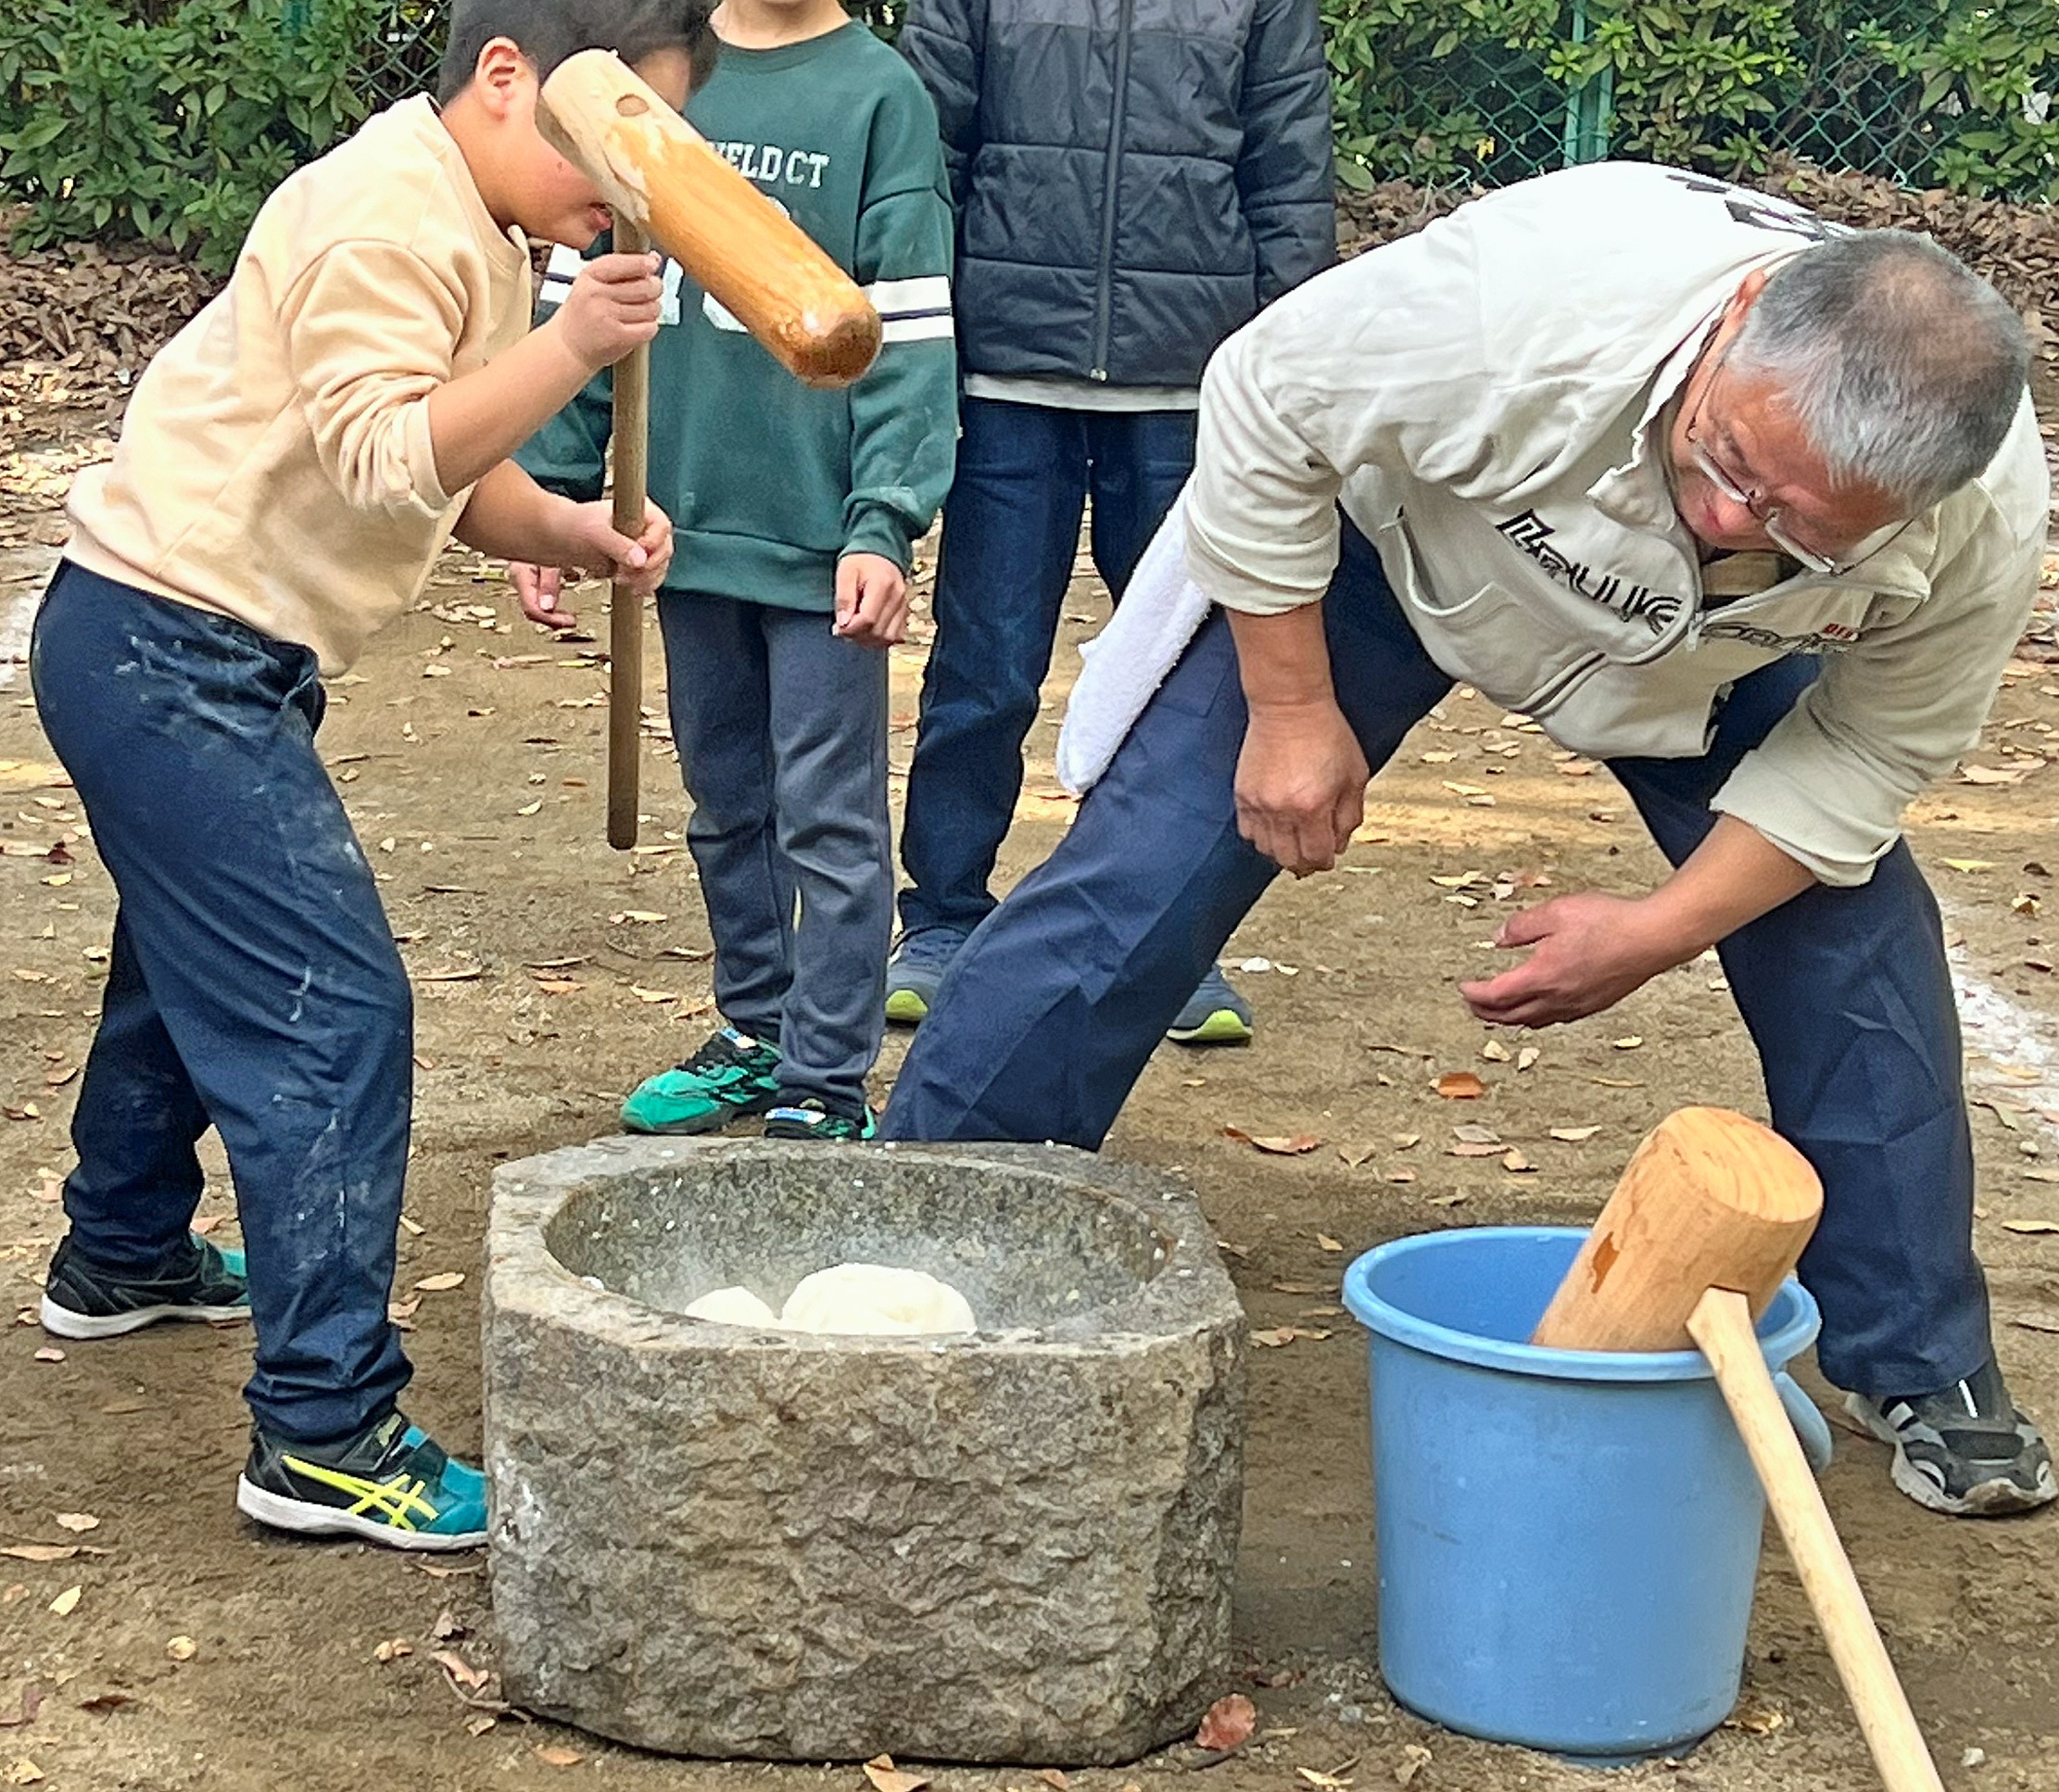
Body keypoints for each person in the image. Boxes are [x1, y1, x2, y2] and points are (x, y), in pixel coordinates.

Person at [883, 162, 2058, 1518]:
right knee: (1146, 872)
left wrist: (1658, 929)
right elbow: (1265, 396)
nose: (1731, 520)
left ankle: (1918, 1354)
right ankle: (920, 1226)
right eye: (1730, 461)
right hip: (1397, 556)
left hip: (1707, 664)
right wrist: (1289, 707)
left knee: (1849, 936)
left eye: (1800, 523)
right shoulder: (1524, 302)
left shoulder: (1979, 518)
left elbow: (1866, 753)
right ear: (1736, 316)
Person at [32, 0, 712, 1549]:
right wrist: (569, 347)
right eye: (618, 138)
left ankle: (121, 1249)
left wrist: (572, 530)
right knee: (330, 1012)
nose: (637, 184)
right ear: (507, 79)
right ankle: (324, 1430)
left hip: (188, 644)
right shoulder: (383, 218)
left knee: (186, 966)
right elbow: (385, 454)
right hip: (167, 651)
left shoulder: (471, 214)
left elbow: (456, 478)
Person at [513, 0, 956, 1142]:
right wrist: (552, 494)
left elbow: (909, 331)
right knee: (724, 802)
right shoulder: (656, 72)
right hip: (679, 528)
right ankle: (756, 1030)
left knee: (828, 814)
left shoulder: (878, 95)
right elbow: (583, 296)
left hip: (816, 540)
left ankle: (825, 1075)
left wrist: (881, 523)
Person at [883, 0, 1334, 1044]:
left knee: (1182, 685)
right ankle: (942, 919)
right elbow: (928, 161)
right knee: (985, 668)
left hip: (1191, 387)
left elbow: (1287, 177)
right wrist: (926, 345)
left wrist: (1291, 376)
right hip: (1005, 374)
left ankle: (1165, 941)